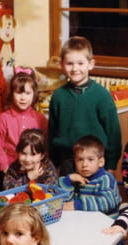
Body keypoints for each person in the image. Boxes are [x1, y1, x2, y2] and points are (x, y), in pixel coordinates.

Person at [48, 36, 121, 173]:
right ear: (62, 65)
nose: (75, 68)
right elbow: (52, 133)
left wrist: (111, 165)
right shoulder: (58, 96)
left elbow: (113, 133)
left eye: (80, 63)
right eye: (70, 63)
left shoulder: (102, 95)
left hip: (94, 162)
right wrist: (54, 163)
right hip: (67, 162)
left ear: (90, 64)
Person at [0, 67, 48, 173]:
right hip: (10, 168)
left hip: (34, 168)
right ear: (12, 93)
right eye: (19, 93)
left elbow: (45, 145)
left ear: (34, 94)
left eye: (27, 93)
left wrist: (41, 165)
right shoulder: (4, 118)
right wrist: (4, 167)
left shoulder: (40, 118)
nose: (23, 98)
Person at [57, 135, 121, 215]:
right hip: (81, 218)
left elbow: (107, 202)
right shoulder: (76, 178)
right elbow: (62, 201)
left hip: (104, 220)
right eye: (80, 160)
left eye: (90, 159)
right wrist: (68, 180)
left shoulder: (106, 179)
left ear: (101, 162)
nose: (84, 164)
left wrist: (76, 205)